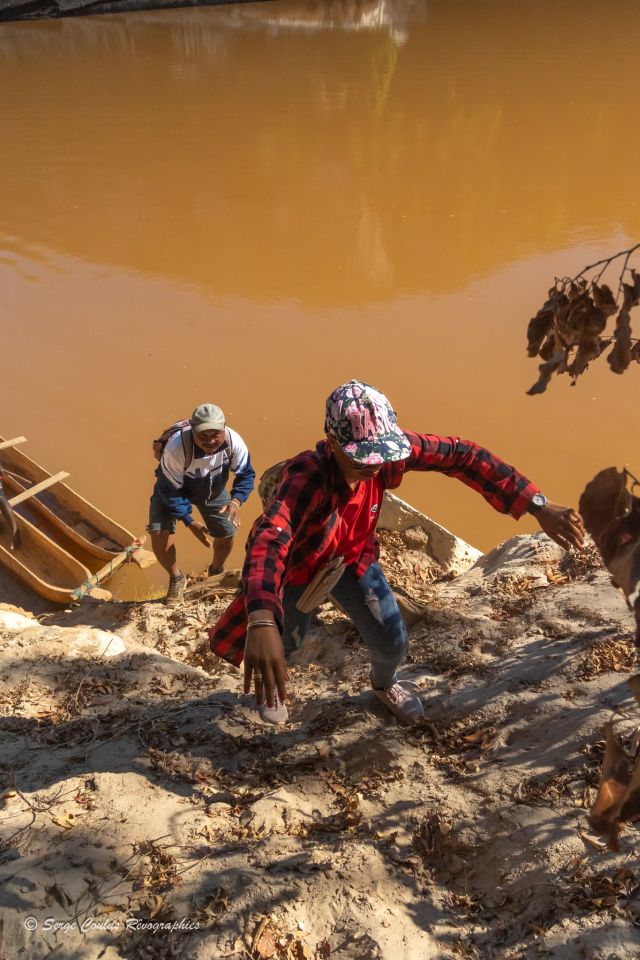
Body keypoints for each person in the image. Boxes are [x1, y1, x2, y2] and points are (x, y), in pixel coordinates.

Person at [209, 380, 585, 724]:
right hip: (300, 571)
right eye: (361, 458)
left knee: (393, 640)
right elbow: (270, 537)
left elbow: (463, 455)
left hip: (353, 561)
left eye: (379, 455)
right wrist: (259, 618)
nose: (374, 465)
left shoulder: (386, 454)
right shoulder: (307, 476)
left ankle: (383, 684)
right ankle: (274, 688)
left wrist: (536, 503)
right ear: (333, 442)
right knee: (283, 646)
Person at [148, 403, 255, 606]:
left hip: (211, 489)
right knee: (159, 532)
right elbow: (169, 490)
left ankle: (216, 571)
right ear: (193, 432)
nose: (210, 441)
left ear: (224, 429)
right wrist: (189, 521)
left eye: (216, 435)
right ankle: (177, 578)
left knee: (227, 531)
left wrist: (236, 501)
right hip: (173, 489)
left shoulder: (234, 442)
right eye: (203, 436)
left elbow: (246, 474)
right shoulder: (176, 448)